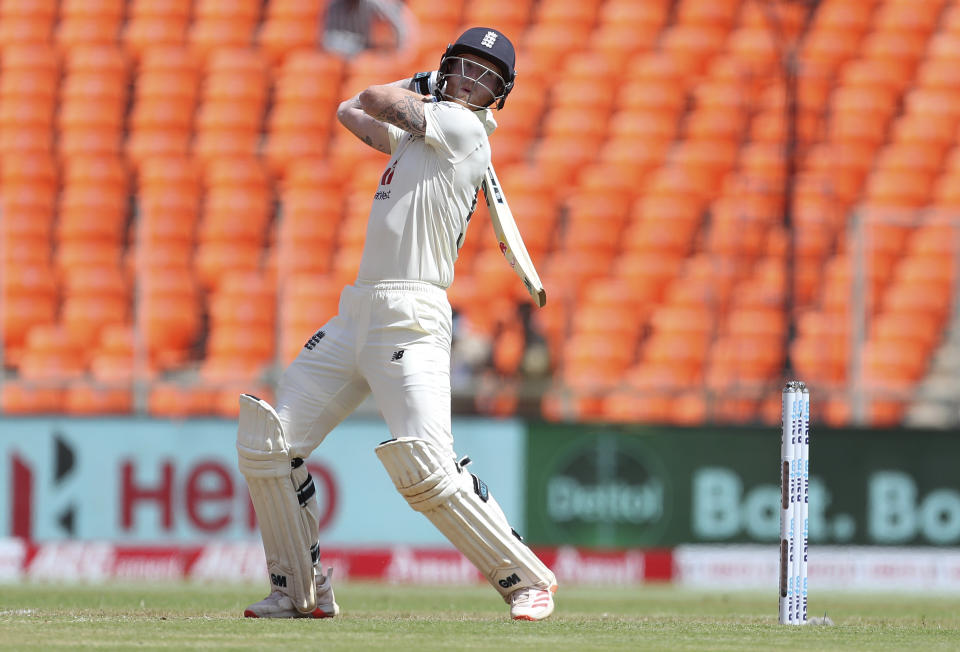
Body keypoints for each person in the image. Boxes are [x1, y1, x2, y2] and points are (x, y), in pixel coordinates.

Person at [237, 27, 558, 622]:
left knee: (428, 469)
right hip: (356, 311)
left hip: (411, 318)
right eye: (464, 67)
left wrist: (426, 88)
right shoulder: (420, 137)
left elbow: (376, 97)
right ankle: (299, 592)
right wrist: (424, 91)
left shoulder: (462, 132)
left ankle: (528, 581)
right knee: (270, 448)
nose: (472, 81)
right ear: (446, 66)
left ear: (499, 97)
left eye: (487, 77)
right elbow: (347, 109)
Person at [322, 0, 411, 59]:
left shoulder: (373, 3)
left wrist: (400, 49)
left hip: (367, 48)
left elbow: (398, 24)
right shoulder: (333, 5)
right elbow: (327, 38)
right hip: (342, 50)